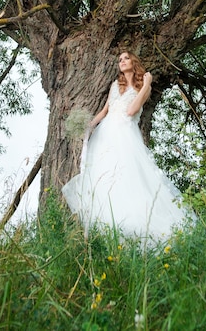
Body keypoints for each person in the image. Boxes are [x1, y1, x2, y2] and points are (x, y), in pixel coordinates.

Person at [62, 51, 194, 242]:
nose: (122, 62)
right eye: (120, 60)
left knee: (126, 177)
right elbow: (105, 111)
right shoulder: (115, 85)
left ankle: (134, 226)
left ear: (134, 62)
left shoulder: (143, 87)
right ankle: (106, 226)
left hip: (125, 136)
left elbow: (131, 110)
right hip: (105, 135)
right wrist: (88, 125)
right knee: (104, 178)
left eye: (125, 58)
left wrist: (148, 83)